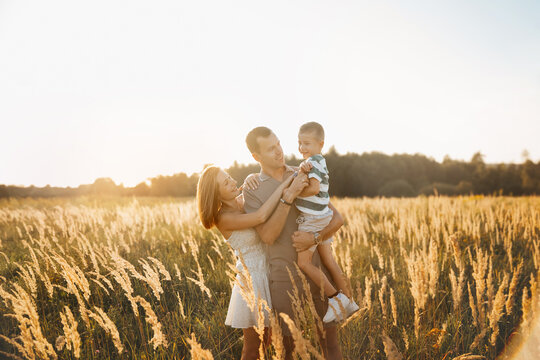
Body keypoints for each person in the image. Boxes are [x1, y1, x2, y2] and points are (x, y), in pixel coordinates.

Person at [242, 126, 345, 360]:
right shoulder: (254, 189)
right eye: (270, 149)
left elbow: (336, 218)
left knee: (330, 346)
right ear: (256, 157)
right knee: (287, 351)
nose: (279, 151)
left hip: (317, 272)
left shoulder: (303, 172)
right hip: (283, 278)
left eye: (278, 143)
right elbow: (267, 236)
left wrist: (315, 238)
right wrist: (288, 197)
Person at [196, 165, 307, 360]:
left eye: (229, 177)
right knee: (253, 348)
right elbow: (261, 216)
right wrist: (286, 187)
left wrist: (252, 177)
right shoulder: (223, 218)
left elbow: (264, 198)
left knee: (278, 341)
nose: (232, 182)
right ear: (216, 193)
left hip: (273, 273)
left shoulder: (246, 200)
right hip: (252, 282)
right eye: (225, 182)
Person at [295, 122, 359, 322]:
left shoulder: (313, 162)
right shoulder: (319, 161)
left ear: (320, 144)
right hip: (324, 216)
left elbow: (314, 189)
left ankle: (336, 299)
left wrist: (295, 192)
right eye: (299, 143)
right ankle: (350, 299)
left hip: (313, 219)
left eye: (307, 143)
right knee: (329, 260)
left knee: (304, 263)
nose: (302, 148)